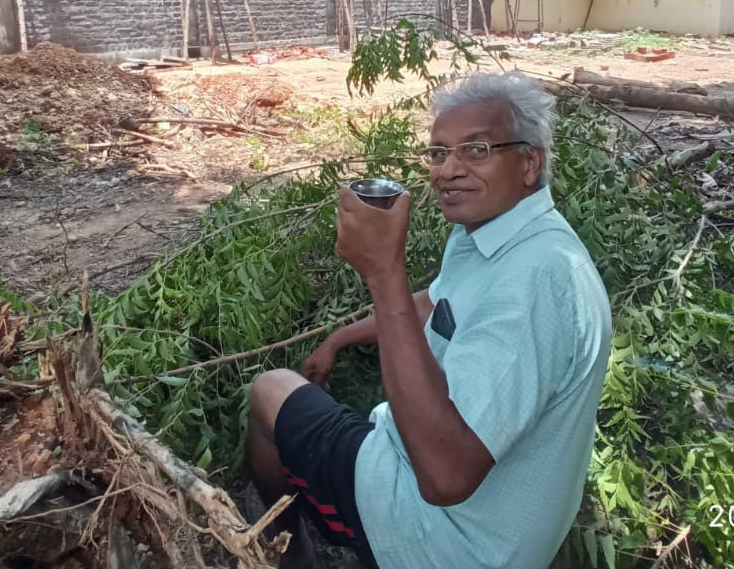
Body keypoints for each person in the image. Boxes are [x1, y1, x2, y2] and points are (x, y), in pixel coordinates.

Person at [244, 71, 612, 569]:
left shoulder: (537, 278)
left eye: (476, 151)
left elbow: (444, 478)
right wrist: (339, 338)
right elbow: (437, 304)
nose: (448, 171)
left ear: (529, 162)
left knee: (269, 391)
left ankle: (293, 557)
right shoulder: (495, 232)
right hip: (479, 524)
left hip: (445, 539)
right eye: (438, 154)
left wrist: (382, 272)